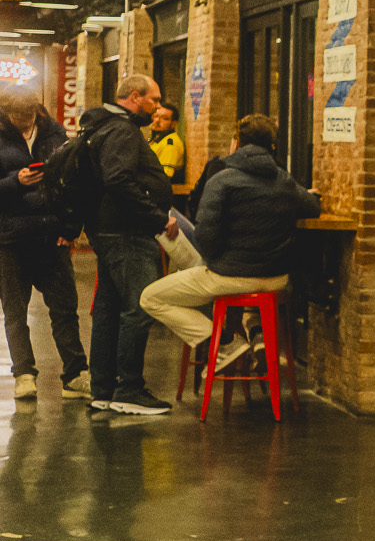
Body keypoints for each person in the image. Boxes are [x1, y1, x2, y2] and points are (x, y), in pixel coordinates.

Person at [141, 114, 319, 377]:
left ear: (237, 142)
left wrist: (215, 260)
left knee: (150, 298)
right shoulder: (283, 179)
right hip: (277, 278)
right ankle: (253, 337)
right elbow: (313, 207)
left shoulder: (222, 179)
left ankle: (225, 343)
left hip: (231, 277)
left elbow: (205, 237)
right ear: (272, 145)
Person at [77, 73, 172, 415]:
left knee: (109, 309)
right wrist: (157, 217)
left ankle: (103, 389)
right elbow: (118, 179)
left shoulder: (102, 126)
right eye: (154, 100)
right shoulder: (122, 130)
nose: (157, 107)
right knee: (139, 308)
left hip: (109, 231)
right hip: (127, 233)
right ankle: (129, 389)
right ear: (134, 96)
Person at [0, 90, 88, 400]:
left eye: (29, 116)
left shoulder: (55, 133)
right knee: (15, 312)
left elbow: (74, 181)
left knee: (65, 309)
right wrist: (15, 182)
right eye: (17, 117)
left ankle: (75, 375)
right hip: (10, 238)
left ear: (38, 110)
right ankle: (24, 375)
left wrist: (71, 227)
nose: (24, 123)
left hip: (52, 235)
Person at [148, 102, 185, 187]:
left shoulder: (170, 144)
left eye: (164, 118)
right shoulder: (158, 140)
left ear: (173, 124)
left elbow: (165, 176)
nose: (157, 121)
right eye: (156, 116)